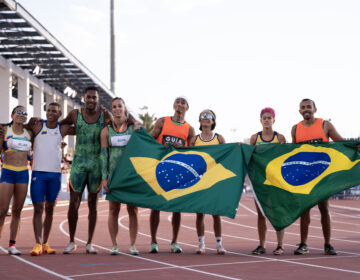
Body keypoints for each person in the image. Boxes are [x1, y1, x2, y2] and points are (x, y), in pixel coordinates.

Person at [60, 86, 112, 254]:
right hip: (79, 165)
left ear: (98, 99)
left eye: (94, 98)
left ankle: (89, 242)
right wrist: (64, 134)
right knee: (73, 204)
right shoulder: (75, 114)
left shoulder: (105, 116)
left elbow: (117, 130)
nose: (91, 100)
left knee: (93, 204)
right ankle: (71, 241)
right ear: (84, 98)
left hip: (96, 165)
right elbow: (61, 126)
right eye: (89, 97)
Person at [291, 98, 343, 255]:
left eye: (309, 107)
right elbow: (292, 153)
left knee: (324, 209)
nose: (306, 109)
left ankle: (328, 244)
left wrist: (356, 146)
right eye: (303, 107)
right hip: (305, 177)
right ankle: (303, 244)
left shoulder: (325, 125)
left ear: (315, 109)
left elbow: (340, 142)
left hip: (323, 175)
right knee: (304, 211)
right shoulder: (295, 129)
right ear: (299, 111)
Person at [25, 102, 75, 256]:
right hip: (38, 174)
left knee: (50, 209)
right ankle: (37, 243)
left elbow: (81, 128)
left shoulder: (62, 128)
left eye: (55, 111)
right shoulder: (38, 125)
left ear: (60, 114)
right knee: (38, 208)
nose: (51, 113)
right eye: (49, 110)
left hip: (54, 175)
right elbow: (22, 127)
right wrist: (29, 121)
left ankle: (45, 242)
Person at [149, 96, 195, 253]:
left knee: (177, 208)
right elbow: (149, 139)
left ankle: (174, 242)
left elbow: (192, 152)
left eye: (183, 103)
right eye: (178, 102)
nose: (180, 105)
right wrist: (161, 146)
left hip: (178, 172)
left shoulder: (189, 129)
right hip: (160, 168)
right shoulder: (163, 121)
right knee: (155, 206)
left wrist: (180, 148)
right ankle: (153, 241)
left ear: (187, 107)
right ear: (173, 105)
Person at [100, 97, 140, 255]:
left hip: (131, 174)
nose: (117, 109)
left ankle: (133, 245)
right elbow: (103, 155)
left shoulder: (134, 128)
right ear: (112, 110)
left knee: (133, 209)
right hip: (114, 175)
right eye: (114, 107)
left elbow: (145, 143)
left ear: (124, 108)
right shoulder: (106, 131)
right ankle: (114, 245)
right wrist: (104, 177)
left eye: (119, 106)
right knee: (113, 210)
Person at [250, 107, 286, 255]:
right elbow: (249, 156)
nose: (266, 120)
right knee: (261, 214)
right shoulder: (254, 138)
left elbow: (285, 158)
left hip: (276, 181)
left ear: (274, 120)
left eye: (269, 118)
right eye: (264, 118)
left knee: (278, 212)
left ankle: (280, 245)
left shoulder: (280, 138)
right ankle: (261, 245)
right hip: (259, 181)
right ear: (260, 120)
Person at [190, 109, 226, 255]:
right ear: (199, 121)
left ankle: (219, 244)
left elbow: (227, 156)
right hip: (199, 180)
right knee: (200, 214)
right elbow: (188, 157)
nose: (205, 118)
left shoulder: (219, 138)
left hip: (214, 180)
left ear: (213, 121)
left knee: (216, 213)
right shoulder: (194, 139)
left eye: (208, 116)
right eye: (202, 116)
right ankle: (201, 243)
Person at [0, 105, 33, 255]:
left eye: (24, 113)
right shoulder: (5, 130)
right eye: (18, 112)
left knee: (17, 211)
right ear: (12, 115)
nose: (21, 114)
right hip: (7, 171)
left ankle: (12, 245)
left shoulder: (29, 133)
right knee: (2, 210)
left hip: (23, 173)